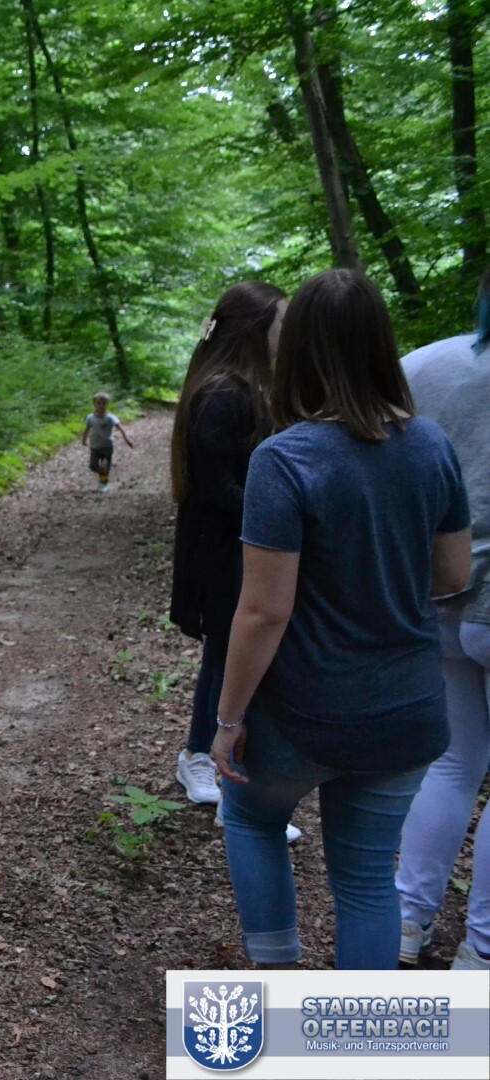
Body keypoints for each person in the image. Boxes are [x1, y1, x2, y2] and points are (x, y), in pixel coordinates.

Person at [212, 269, 471, 969]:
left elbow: (264, 610)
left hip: (306, 712)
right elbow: (453, 575)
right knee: (365, 881)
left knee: (250, 819)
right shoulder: (432, 446)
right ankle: (357, 1026)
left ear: (296, 348)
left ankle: (277, 987)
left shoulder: (284, 459)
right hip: (406, 711)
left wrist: (228, 720)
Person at [168, 282, 303, 843]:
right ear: (255, 329)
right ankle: (238, 790)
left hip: (229, 546)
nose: (288, 333)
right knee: (241, 659)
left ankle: (201, 756)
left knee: (225, 656)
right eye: (281, 322)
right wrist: (279, 520)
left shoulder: (242, 387)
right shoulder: (225, 393)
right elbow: (217, 484)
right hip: (226, 552)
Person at [395, 266, 490, 972]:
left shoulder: (422, 366)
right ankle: (481, 952)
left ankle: (406, 921)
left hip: (436, 588)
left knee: (451, 763)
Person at [81, 392, 133, 490]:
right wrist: (84, 440)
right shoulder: (90, 418)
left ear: (107, 405)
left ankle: (103, 484)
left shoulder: (110, 418)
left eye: (104, 403)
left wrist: (127, 439)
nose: (101, 406)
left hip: (107, 447)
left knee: (105, 466)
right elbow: (87, 429)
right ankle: (103, 475)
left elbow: (120, 428)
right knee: (93, 466)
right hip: (95, 446)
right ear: (94, 404)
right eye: (98, 403)